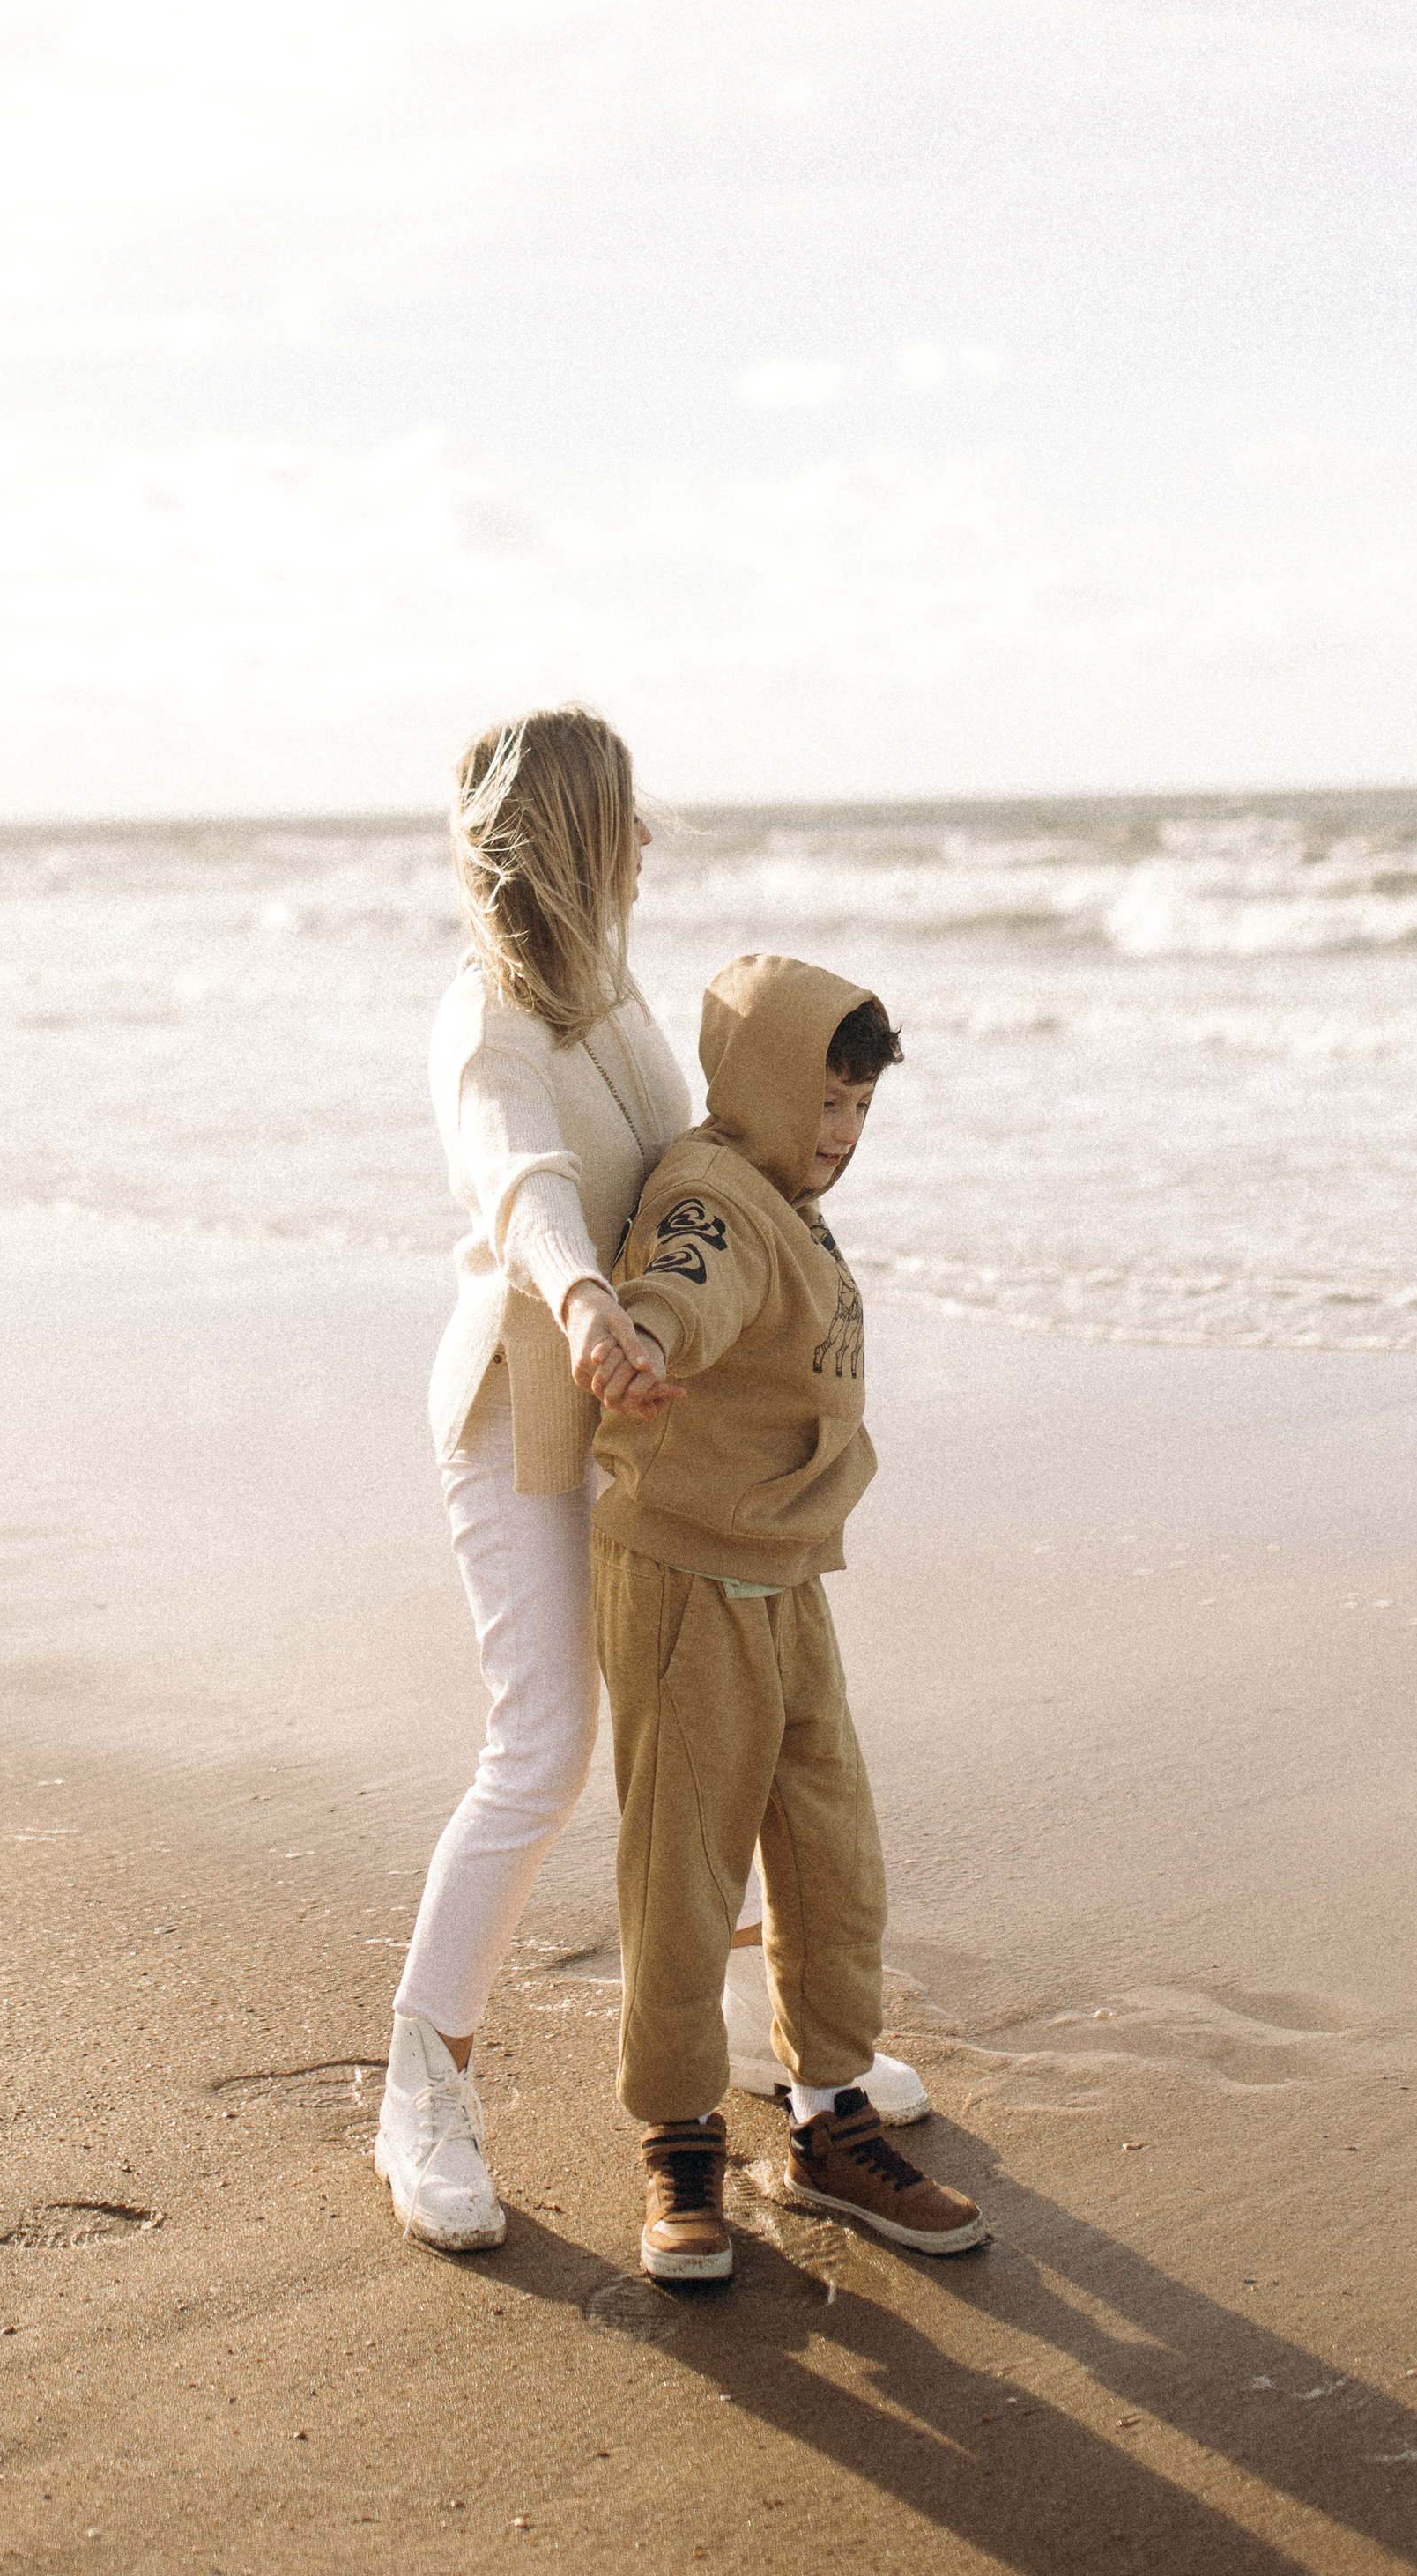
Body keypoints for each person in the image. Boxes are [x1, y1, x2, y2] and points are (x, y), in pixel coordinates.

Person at [375, 722, 927, 2254]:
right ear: (571, 835)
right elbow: (529, 1189)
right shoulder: (487, 1021)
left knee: (715, 1716)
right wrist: (581, 1304)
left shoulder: (606, 995)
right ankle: (423, 2088)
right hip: (526, 1412)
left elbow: (701, 1161)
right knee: (544, 1751)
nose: (646, 843)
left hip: (644, 1406)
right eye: (626, 819)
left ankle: (752, 2025)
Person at [589, 952, 988, 2284]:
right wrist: (644, 1336)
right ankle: (681, 2142)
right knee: (684, 1869)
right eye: (822, 1101)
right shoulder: (713, 1196)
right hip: (686, 1578)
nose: (840, 1133)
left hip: (785, 1570)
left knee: (830, 1855)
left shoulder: (788, 1194)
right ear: (760, 1084)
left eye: (860, 1109)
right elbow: (683, 1281)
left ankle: (827, 2122)